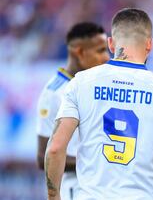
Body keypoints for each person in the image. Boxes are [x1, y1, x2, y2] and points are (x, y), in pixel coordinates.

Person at [44, 8, 153, 200]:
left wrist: (53, 196)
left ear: (111, 44)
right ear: (150, 44)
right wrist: (152, 172)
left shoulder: (81, 82)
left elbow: (55, 148)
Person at [36, 22, 109, 200]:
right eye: (100, 51)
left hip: (105, 188)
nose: (107, 57)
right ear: (79, 52)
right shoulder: (54, 93)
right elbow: (42, 158)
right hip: (76, 189)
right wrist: (97, 162)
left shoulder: (96, 84)